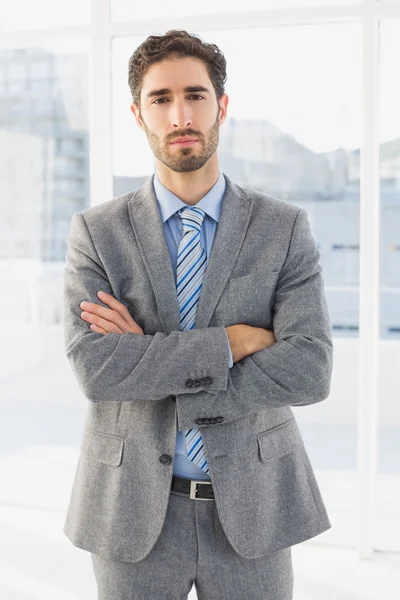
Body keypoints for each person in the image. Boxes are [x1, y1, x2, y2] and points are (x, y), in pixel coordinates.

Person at [63, 29, 334, 600]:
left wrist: (150, 362)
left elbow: (309, 368)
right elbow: (97, 370)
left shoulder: (282, 229)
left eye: (195, 95)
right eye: (161, 99)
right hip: (131, 507)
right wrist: (231, 344)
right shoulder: (97, 233)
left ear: (222, 106)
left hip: (254, 508)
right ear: (138, 115)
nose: (180, 114)